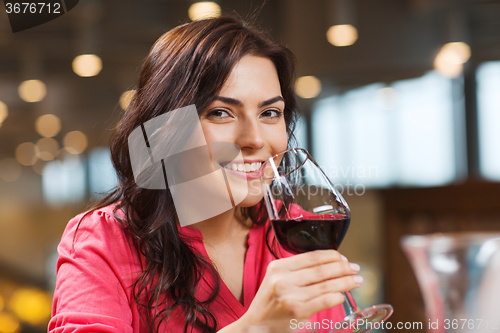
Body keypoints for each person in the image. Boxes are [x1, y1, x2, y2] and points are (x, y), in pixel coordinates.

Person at [48, 15, 363, 333]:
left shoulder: (295, 231)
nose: (254, 139)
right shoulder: (103, 241)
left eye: (270, 113)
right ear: (166, 129)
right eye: (220, 113)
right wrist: (254, 328)